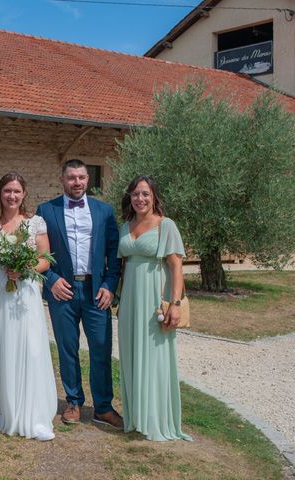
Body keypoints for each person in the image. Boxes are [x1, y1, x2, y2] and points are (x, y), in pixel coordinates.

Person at [0, 172, 57, 441]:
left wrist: (24, 268)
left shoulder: (35, 223)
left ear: (24, 194)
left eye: (17, 191)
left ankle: (29, 411)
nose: (12, 196)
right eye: (7, 191)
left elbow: (45, 260)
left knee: (26, 347)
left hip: (23, 294)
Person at [36, 159, 122, 428]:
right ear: (62, 180)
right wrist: (50, 280)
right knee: (67, 348)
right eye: (71, 177)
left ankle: (103, 407)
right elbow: (37, 253)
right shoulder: (46, 211)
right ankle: (73, 401)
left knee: (100, 348)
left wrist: (109, 285)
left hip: (96, 291)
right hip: (62, 290)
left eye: (82, 177)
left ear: (88, 180)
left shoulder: (104, 212)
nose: (77, 182)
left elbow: (114, 253)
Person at [117, 175, 192, 441]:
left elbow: (176, 266)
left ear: (154, 197)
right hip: (129, 302)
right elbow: (122, 266)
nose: (140, 199)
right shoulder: (125, 226)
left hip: (154, 299)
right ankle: (135, 417)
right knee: (131, 354)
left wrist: (174, 304)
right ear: (130, 197)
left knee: (155, 357)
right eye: (136, 194)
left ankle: (156, 419)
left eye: (145, 194)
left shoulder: (166, 225)